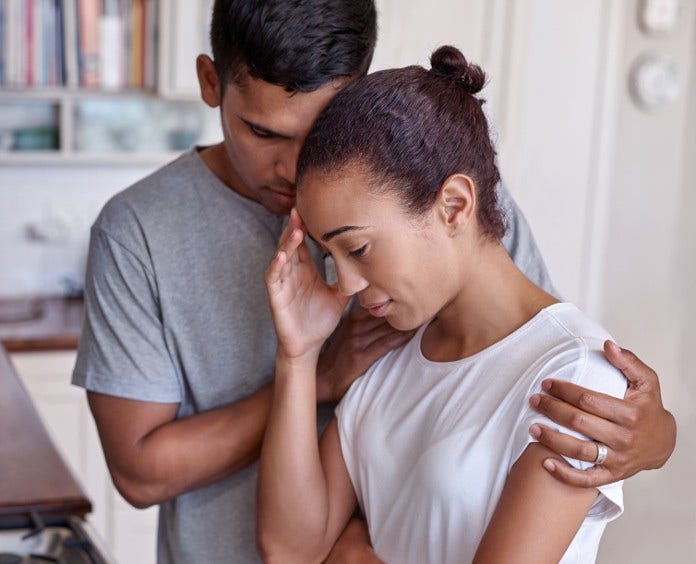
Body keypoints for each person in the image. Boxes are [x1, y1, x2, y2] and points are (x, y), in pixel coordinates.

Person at [71, 1, 675, 563]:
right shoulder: (139, 232)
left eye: (320, 130)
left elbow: (535, 349)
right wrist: (315, 367)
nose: (294, 165)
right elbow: (147, 475)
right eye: (265, 132)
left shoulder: (434, 199)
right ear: (210, 83)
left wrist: (656, 439)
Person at [257, 46, 639, 563]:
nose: (345, 284)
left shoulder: (577, 378)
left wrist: (353, 558)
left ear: (454, 205)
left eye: (359, 249)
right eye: (330, 255)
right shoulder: (384, 354)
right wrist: (298, 356)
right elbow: (291, 550)